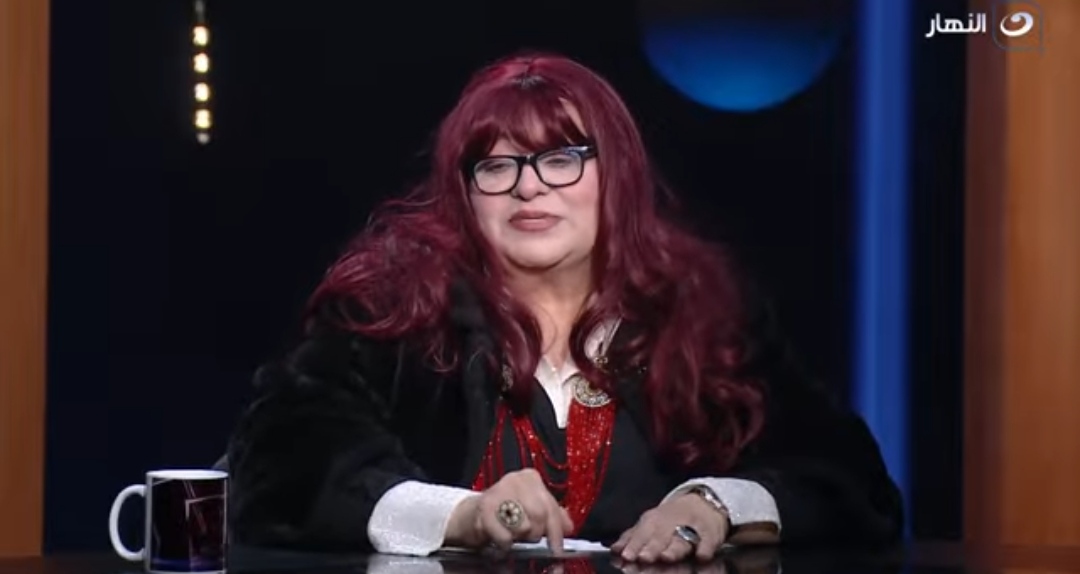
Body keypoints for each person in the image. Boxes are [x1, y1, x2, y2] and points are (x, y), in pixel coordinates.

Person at [224, 51, 903, 563]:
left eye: (561, 158)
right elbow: (278, 469)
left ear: (616, 177)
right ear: (466, 194)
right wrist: (464, 516)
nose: (529, 188)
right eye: (498, 166)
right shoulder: (390, 311)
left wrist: (716, 504)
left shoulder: (705, 318)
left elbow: (852, 483)